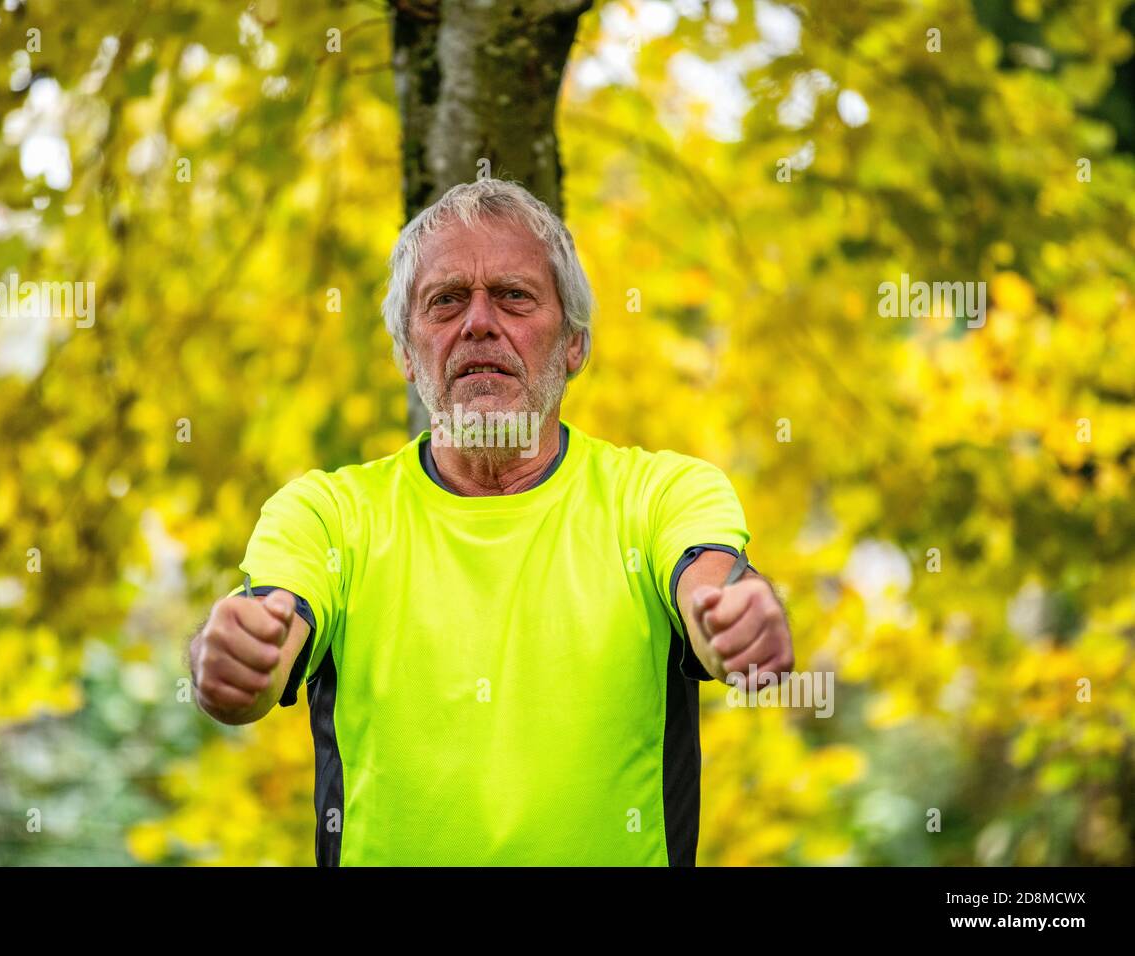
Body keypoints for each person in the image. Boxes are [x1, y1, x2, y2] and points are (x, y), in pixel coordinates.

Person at [188, 179, 794, 865]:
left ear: (573, 345)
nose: (478, 322)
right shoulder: (326, 515)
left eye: (513, 295)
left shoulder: (661, 493)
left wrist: (741, 617)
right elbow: (260, 653)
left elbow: (713, 588)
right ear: (406, 354)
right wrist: (229, 663)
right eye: (446, 301)